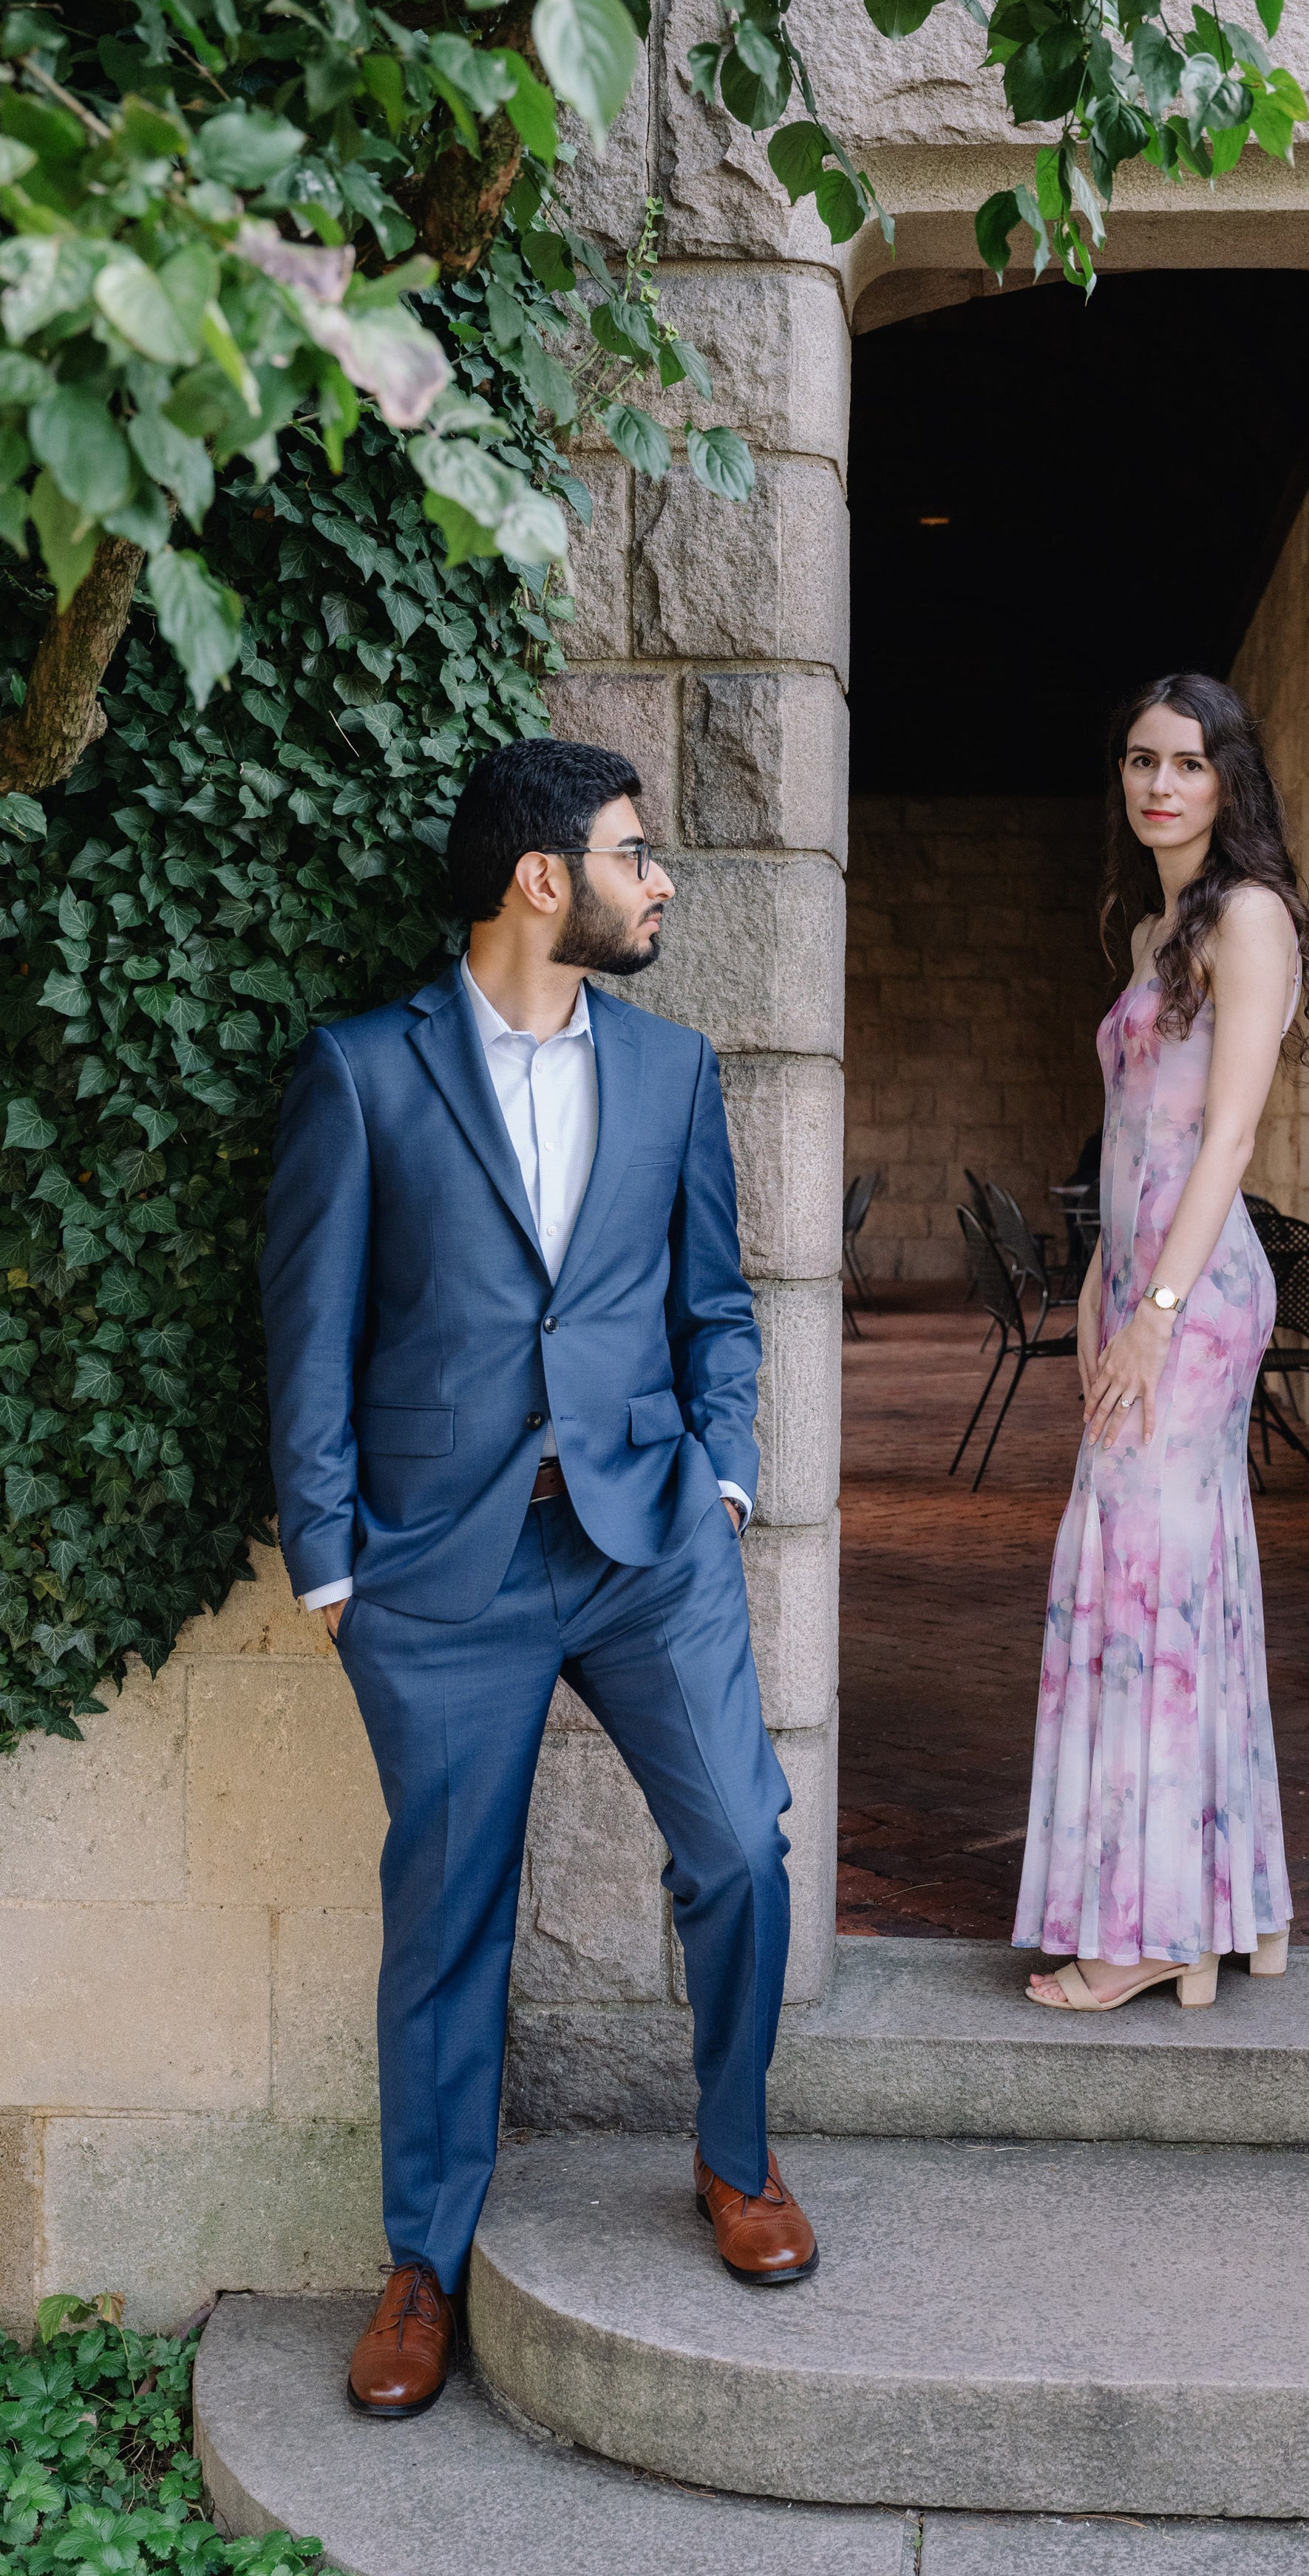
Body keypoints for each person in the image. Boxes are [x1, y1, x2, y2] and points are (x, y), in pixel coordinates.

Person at [261, 738, 817, 2423]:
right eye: (636, 854)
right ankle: (421, 2265)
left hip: (648, 1545)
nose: (661, 884)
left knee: (740, 1845)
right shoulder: (364, 1073)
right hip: (444, 1570)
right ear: (541, 877)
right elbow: (308, 1334)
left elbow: (715, 1301)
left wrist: (725, 1474)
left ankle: (735, 2157)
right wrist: (332, 1571)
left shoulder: (672, 1068)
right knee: (447, 1916)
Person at [1013, 675, 1309, 2013]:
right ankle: (1230, 1901)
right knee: (1179, 1583)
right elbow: (1139, 1131)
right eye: (1141, 760)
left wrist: (1155, 1314)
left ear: (1228, 779)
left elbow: (1228, 1135)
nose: (1160, 784)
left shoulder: (1249, 917)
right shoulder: (1156, 930)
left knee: (1146, 1584)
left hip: (1196, 1299)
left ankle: (1152, 1927)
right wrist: (1101, 1277)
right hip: (1143, 1281)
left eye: (1188, 763)